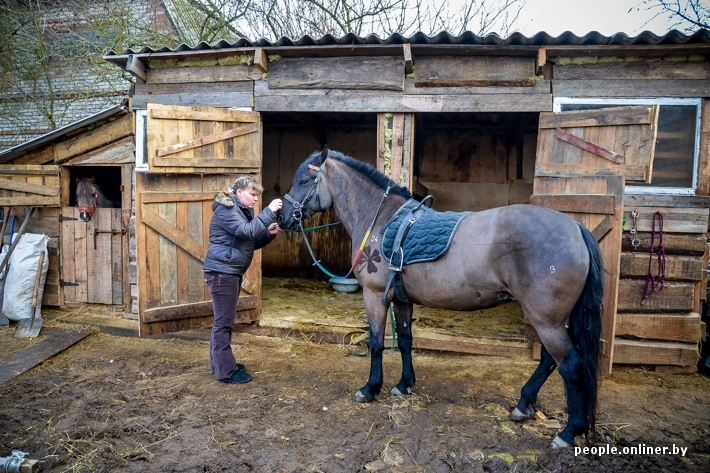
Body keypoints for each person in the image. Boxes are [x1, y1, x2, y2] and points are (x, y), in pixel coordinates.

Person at [203, 175, 282, 384]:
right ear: (239, 193)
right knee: (224, 322)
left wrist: (268, 233)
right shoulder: (227, 209)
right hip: (222, 273)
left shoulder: (241, 210)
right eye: (252, 194)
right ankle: (226, 371)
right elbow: (246, 232)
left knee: (222, 321)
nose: (256, 199)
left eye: (257, 195)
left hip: (229, 271)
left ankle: (219, 362)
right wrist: (269, 212)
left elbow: (249, 241)